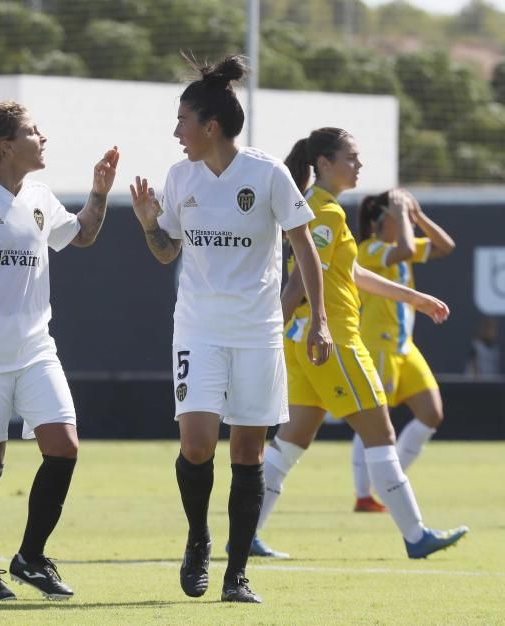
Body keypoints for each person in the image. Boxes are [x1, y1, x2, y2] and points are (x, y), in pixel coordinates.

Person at [130, 55, 332, 604]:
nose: (176, 133)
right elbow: (167, 251)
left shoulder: (267, 174)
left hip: (259, 333)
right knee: (196, 446)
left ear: (210, 126)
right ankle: (198, 538)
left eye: (182, 122)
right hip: (197, 329)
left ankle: (236, 574)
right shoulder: (180, 177)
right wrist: (150, 222)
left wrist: (319, 320)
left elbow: (304, 250)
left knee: (247, 454)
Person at [0, 100, 118, 602]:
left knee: (65, 447)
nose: (44, 139)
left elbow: (82, 236)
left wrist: (99, 192)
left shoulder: (39, 195)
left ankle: (30, 558)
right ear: (7, 146)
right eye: (35, 132)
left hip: (36, 349)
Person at [253, 126, 468, 559]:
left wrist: (414, 297)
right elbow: (299, 279)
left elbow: (344, 274)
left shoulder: (317, 207)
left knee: (291, 442)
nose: (359, 164)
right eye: (350, 157)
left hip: (306, 341)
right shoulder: (325, 212)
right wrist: (274, 330)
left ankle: (246, 534)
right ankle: (415, 536)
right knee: (381, 433)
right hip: (333, 340)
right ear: (324, 164)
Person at [350, 189, 455, 513]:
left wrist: (418, 215)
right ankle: (364, 494)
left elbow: (445, 247)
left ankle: (386, 484)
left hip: (403, 345)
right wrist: (399, 213)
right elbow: (407, 248)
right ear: (383, 220)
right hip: (378, 343)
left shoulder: (400, 246)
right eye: (399, 214)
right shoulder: (369, 250)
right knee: (374, 418)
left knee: (431, 413)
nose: (405, 219)